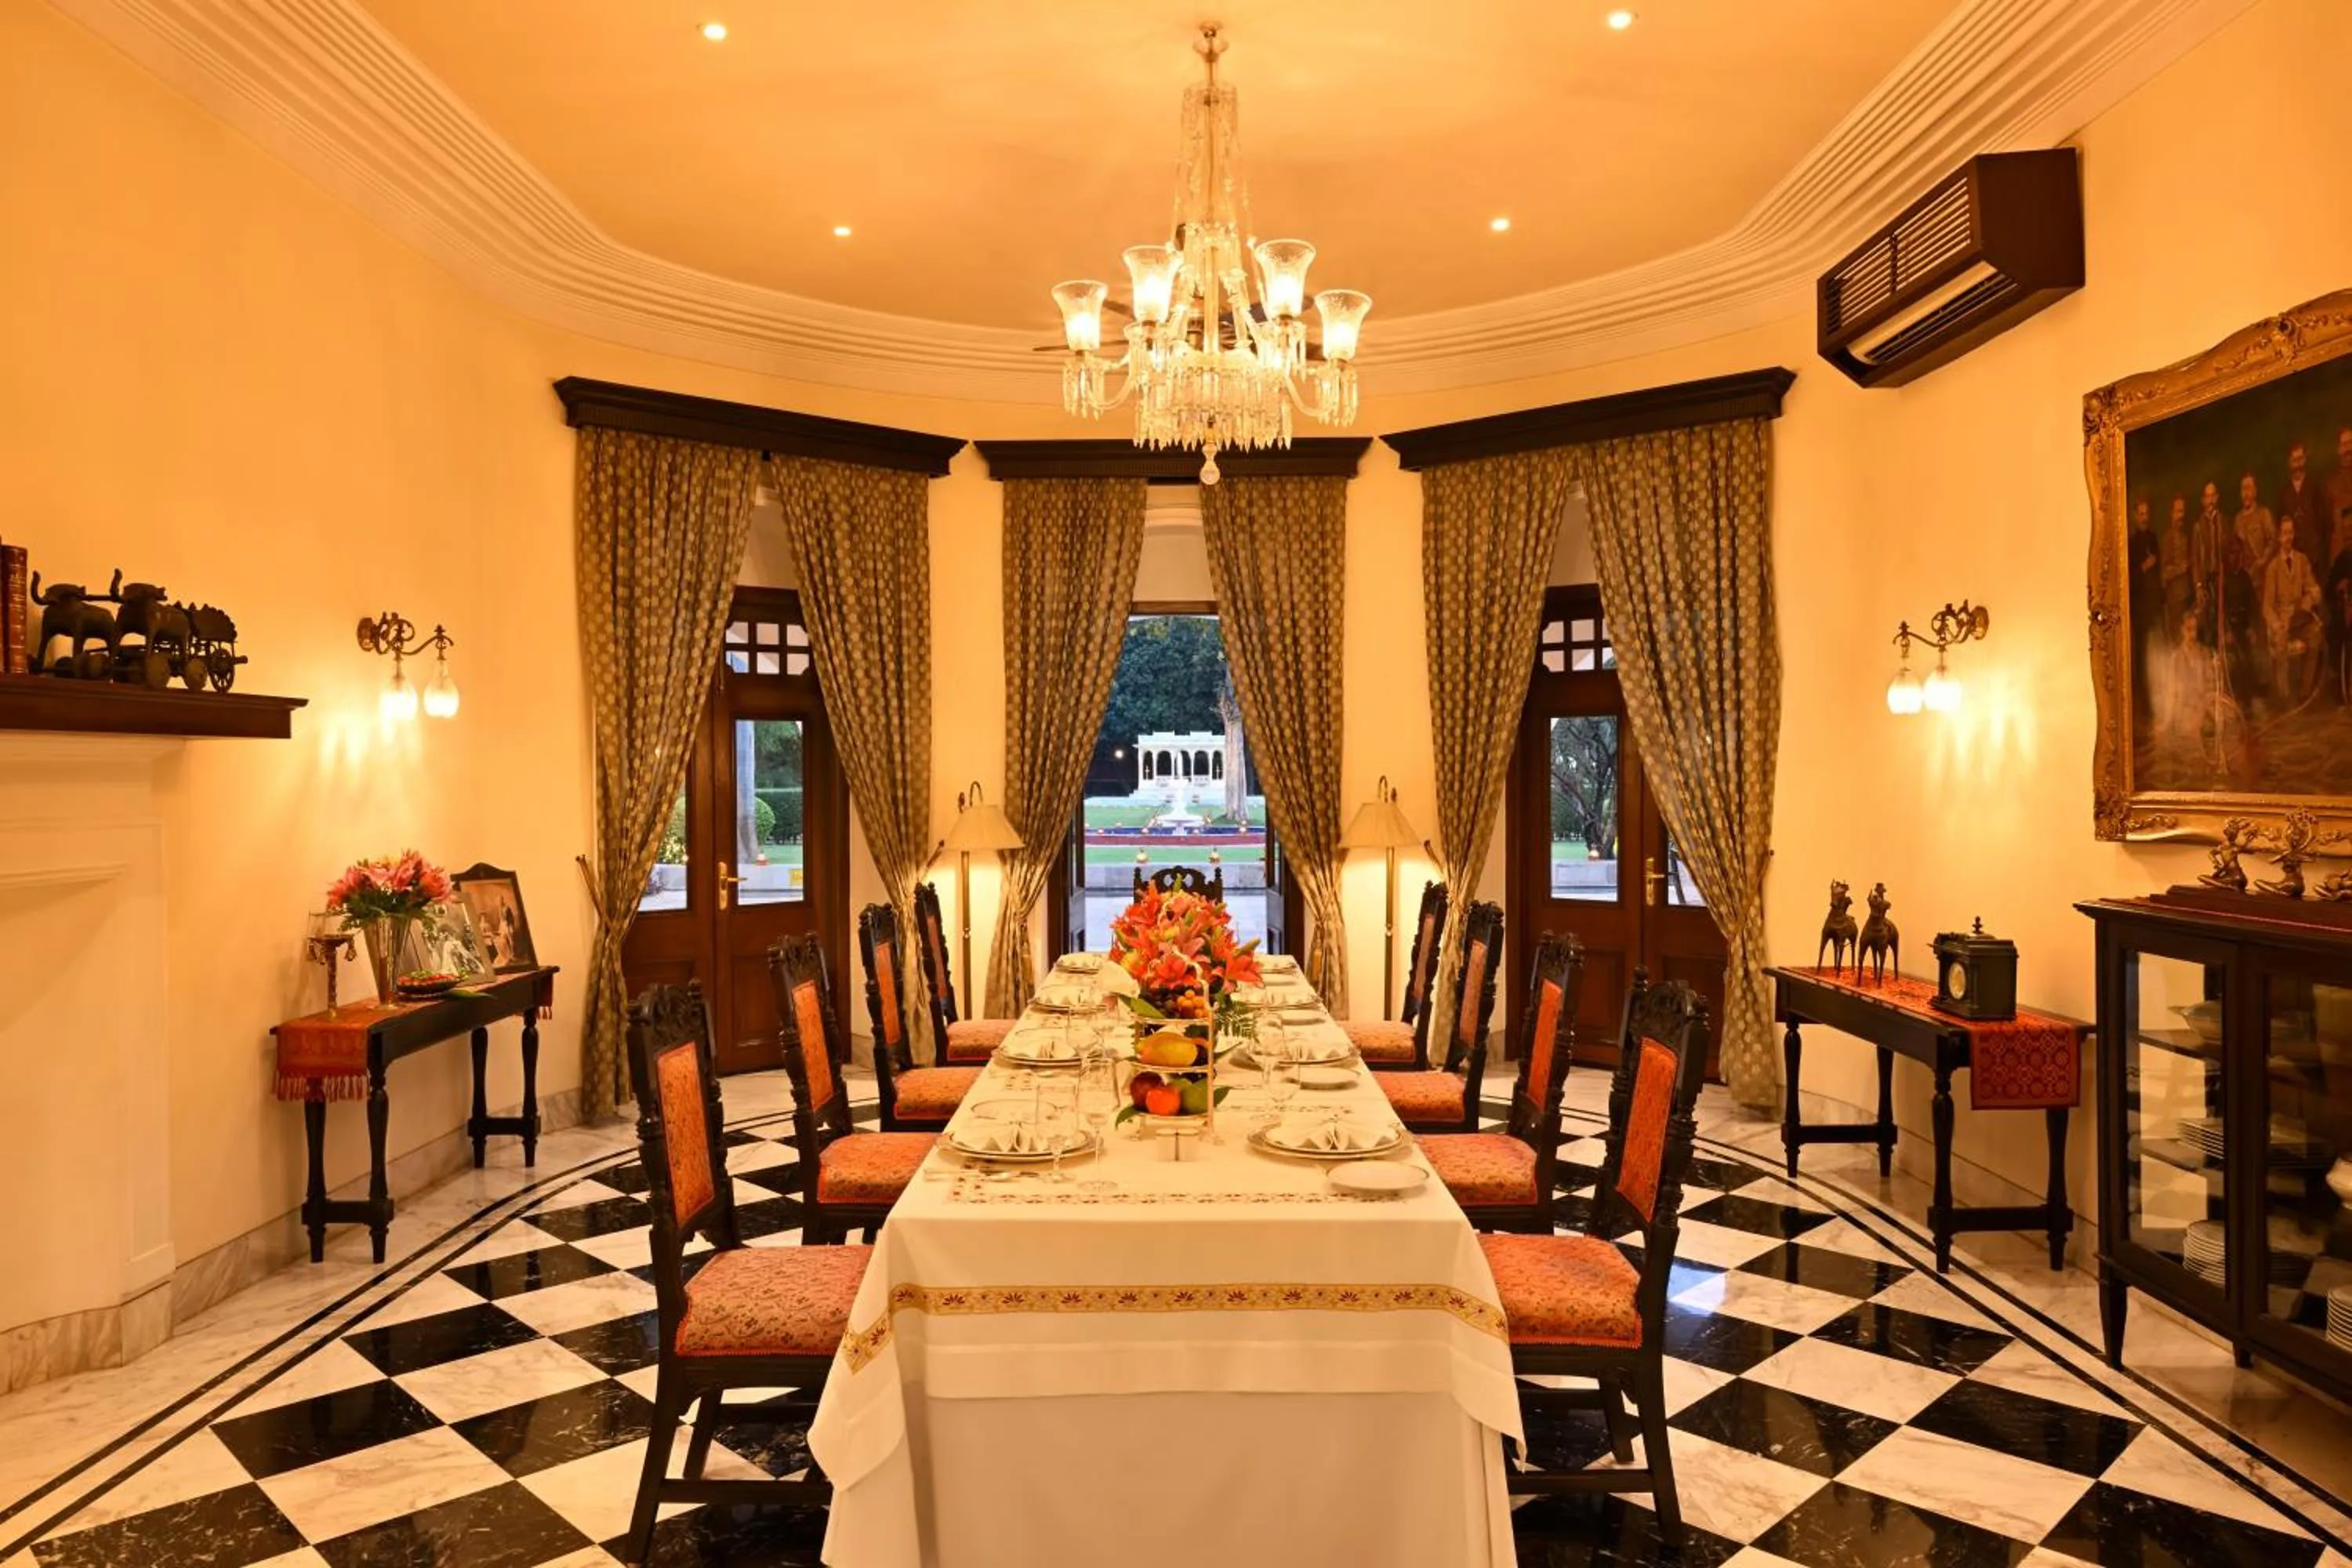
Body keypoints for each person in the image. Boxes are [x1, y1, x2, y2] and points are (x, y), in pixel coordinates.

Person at [2264, 514, 2323, 704]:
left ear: (2294, 535)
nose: (2288, 537)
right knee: (2280, 644)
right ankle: (2284, 698)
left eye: (2290, 533)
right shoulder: (2273, 567)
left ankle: (2304, 694)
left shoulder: (2302, 561)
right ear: (2279, 537)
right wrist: (2277, 624)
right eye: (2284, 533)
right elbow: (2266, 606)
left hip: (2300, 619)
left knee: (2315, 637)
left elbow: (2314, 589)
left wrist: (2308, 600)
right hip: (2282, 622)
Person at [2128, 495, 2163, 717]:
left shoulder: (2153, 538)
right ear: (2135, 516)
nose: (2144, 518)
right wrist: (2143, 567)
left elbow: (2158, 573)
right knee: (2141, 660)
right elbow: (2129, 577)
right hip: (2139, 609)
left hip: (2153, 607)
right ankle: (2143, 708)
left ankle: (2159, 704)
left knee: (2157, 656)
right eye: (2140, 514)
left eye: (2146, 514)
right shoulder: (2131, 543)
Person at [2278, 440, 2328, 570]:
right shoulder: (2284, 493)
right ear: (2289, 462)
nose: (2298, 465)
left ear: (2305, 459)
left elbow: (2324, 521)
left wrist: (2319, 547)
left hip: (2314, 556)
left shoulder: (2315, 487)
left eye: (2300, 459)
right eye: (2294, 460)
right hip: (2293, 555)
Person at [2190, 481, 2229, 647]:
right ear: (2203, 500)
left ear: (2218, 498)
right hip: (2205, 582)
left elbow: (2228, 552)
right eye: (2208, 496)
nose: (2211, 500)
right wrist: (2198, 585)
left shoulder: (2223, 523)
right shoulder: (2198, 527)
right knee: (2205, 622)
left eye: (2213, 495)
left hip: (2221, 581)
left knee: (2222, 620)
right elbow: (2195, 560)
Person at [2161, 495, 2194, 641]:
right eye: (2178, 511)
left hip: (2187, 596)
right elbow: (2163, 574)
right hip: (2174, 599)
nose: (2181, 515)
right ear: (2172, 513)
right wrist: (2180, 569)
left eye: (2183, 512)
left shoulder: (2186, 536)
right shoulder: (2167, 539)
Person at [2234, 471, 2277, 579]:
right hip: (2246, 580)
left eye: (2249, 488)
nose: (2246, 493)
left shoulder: (2264, 514)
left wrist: (2262, 561)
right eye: (2243, 489)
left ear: (2255, 491)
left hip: (2265, 577)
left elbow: (2273, 541)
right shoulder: (2238, 520)